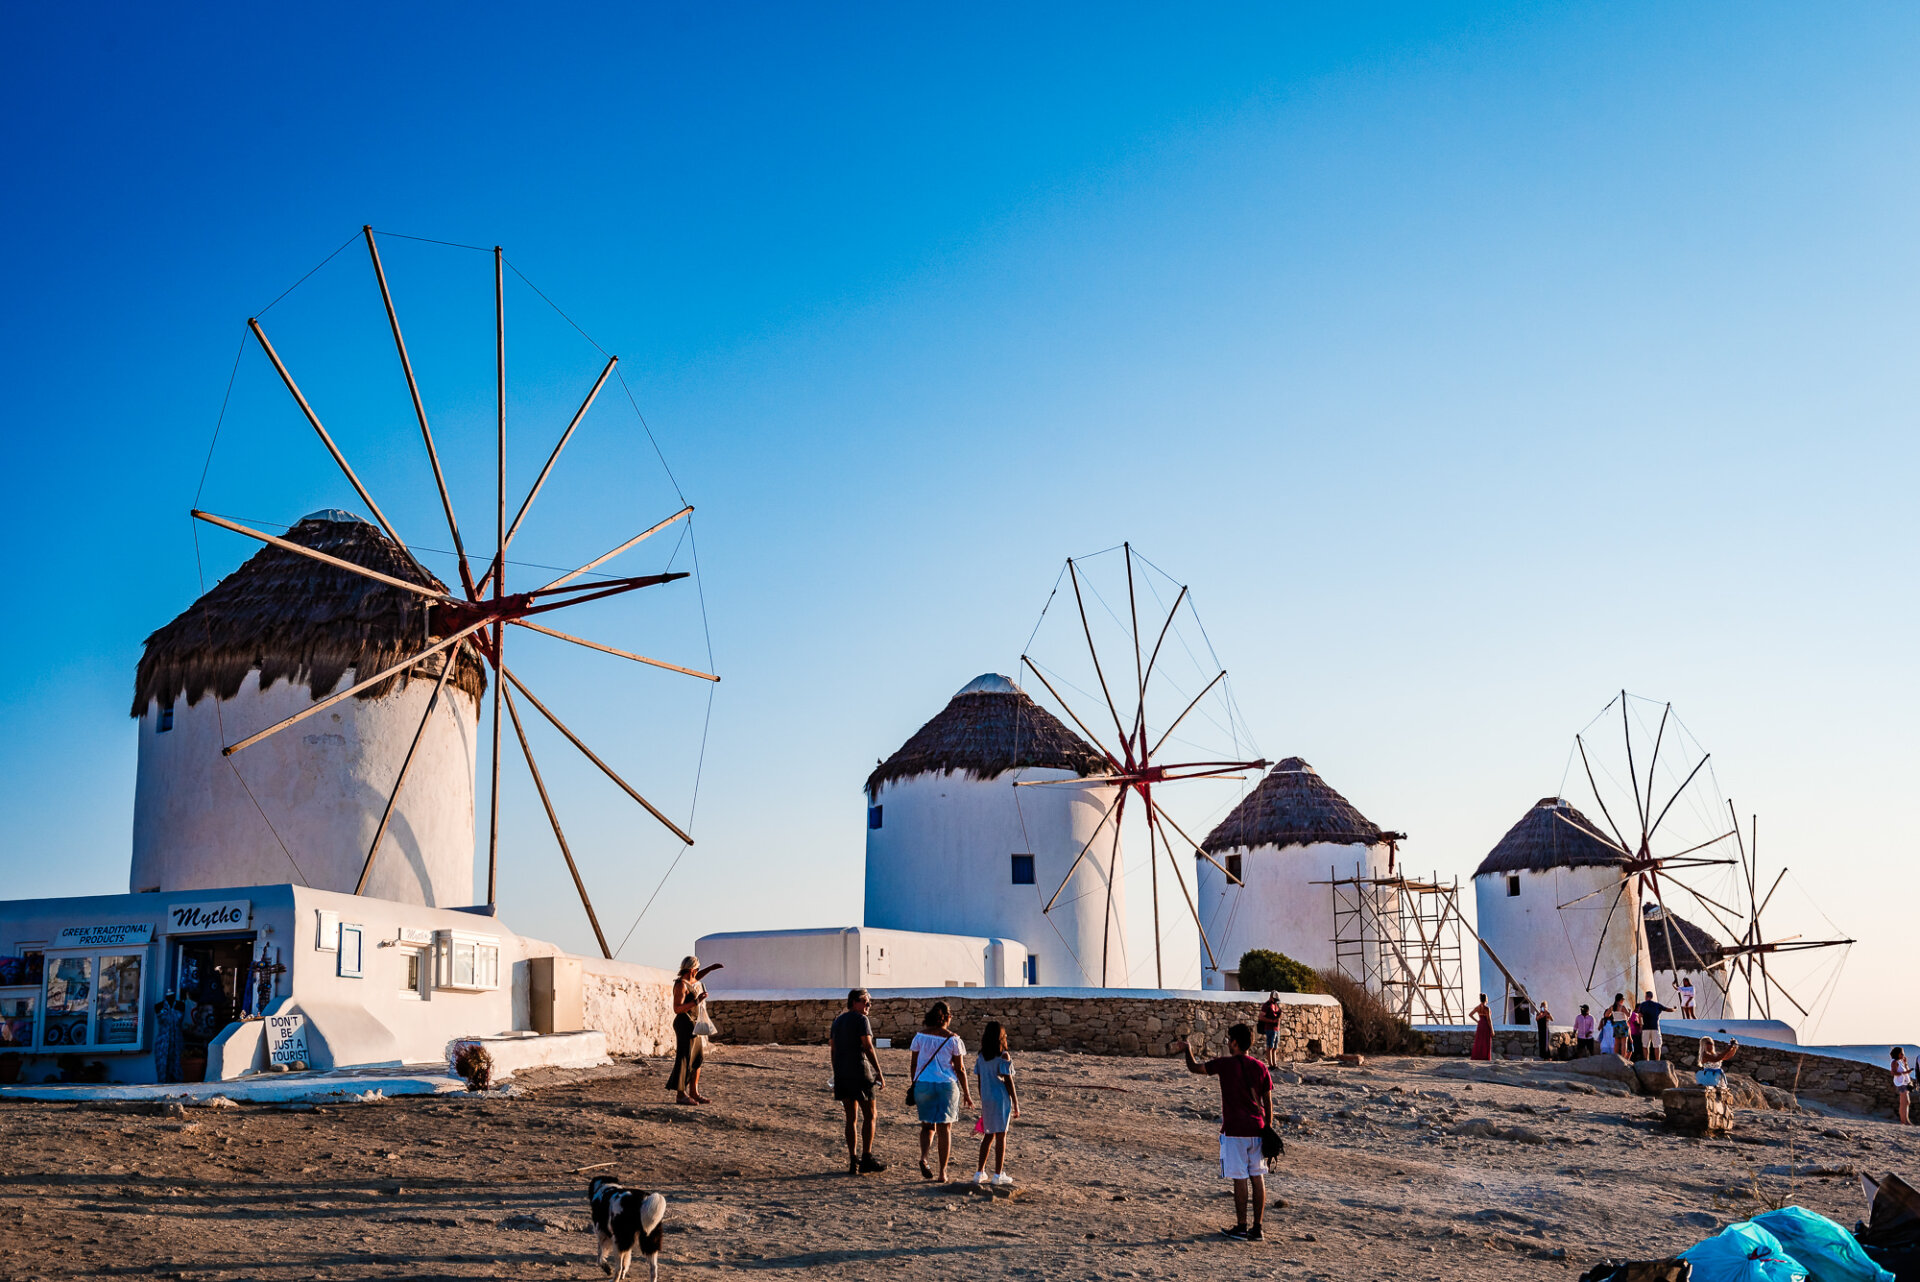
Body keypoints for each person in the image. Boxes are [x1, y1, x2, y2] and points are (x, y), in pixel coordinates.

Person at [1179, 1024, 1274, 1242]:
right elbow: (1268, 1103)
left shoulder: (1225, 1065)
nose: (1228, 1043)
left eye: (1230, 1040)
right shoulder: (1261, 1067)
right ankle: (1257, 1228)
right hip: (1257, 1129)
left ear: (1234, 1042)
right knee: (1257, 1177)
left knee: (1239, 1177)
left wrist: (1187, 1048)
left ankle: (1241, 1227)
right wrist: (1267, 1128)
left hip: (1234, 1130)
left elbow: (1195, 1068)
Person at [907, 1001, 972, 1181]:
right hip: (946, 1085)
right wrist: (967, 1092)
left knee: (927, 1126)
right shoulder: (953, 1039)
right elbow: (960, 1069)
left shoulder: (919, 1037)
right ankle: (942, 1172)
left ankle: (924, 1157)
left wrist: (915, 1083)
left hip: (923, 1083)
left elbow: (914, 1064)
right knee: (945, 1129)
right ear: (948, 1018)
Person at [831, 989, 888, 1174]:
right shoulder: (861, 1020)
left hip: (842, 1074)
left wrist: (837, 1071)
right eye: (865, 1001)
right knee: (870, 1115)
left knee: (851, 1118)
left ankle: (852, 1160)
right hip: (859, 1071)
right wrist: (878, 1071)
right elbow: (868, 1047)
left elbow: (833, 1049)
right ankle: (867, 1157)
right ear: (855, 1002)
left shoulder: (837, 1021)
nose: (868, 1005)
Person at [668, 955, 723, 1105]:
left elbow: (697, 976)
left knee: (697, 1058)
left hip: (693, 1024)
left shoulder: (690, 980)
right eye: (696, 970)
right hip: (683, 1024)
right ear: (692, 970)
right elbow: (677, 1008)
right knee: (684, 1058)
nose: (697, 973)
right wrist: (697, 1001)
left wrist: (711, 969)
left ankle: (694, 1092)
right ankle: (681, 1094)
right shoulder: (681, 985)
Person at [973, 1020, 1021, 1186]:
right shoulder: (1003, 1056)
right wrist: (1016, 1103)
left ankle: (980, 1172)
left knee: (988, 1135)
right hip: (1000, 1098)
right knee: (1001, 1135)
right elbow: (1008, 1082)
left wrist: (982, 1098)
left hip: (986, 1097)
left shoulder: (981, 1057)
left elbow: (979, 1081)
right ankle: (998, 1174)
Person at [1635, 990, 1674, 1062]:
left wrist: (1641, 1026)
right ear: (1652, 997)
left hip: (1646, 1028)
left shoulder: (1642, 1005)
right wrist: (1674, 1009)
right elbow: (1668, 1009)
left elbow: (1639, 1015)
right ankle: (1657, 1061)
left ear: (1646, 997)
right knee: (1657, 1046)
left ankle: (1646, 1061)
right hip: (1655, 1028)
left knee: (1645, 1046)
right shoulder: (1657, 1005)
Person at [1257, 992, 1283, 1069]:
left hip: (1276, 1028)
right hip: (1270, 1028)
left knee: (1275, 1047)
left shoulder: (1276, 1005)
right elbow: (1261, 1017)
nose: (1275, 1001)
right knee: (1270, 1046)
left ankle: (1274, 1064)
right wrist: (1272, 1021)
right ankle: (1270, 1065)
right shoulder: (1266, 1005)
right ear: (1271, 997)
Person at [1468, 994, 1494, 1062]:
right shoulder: (1487, 1008)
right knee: (1486, 1041)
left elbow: (1470, 1014)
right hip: (1485, 1025)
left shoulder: (1478, 1007)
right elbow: (1489, 1020)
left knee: (1479, 1041)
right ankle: (1485, 1057)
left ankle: (1477, 1056)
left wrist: (1477, 1021)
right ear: (1486, 999)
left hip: (1480, 1024)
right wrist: (1492, 1030)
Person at [1892, 1048, 1913, 1124]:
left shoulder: (1900, 1062)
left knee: (1907, 1102)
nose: (1903, 1055)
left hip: (1904, 1083)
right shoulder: (1894, 1062)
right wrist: (1905, 1073)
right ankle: (1903, 1121)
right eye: (1901, 1053)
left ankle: (1906, 1120)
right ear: (1897, 1054)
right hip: (1901, 1083)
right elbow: (1893, 1072)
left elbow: (1907, 1072)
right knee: (1904, 1102)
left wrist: (1905, 1063)